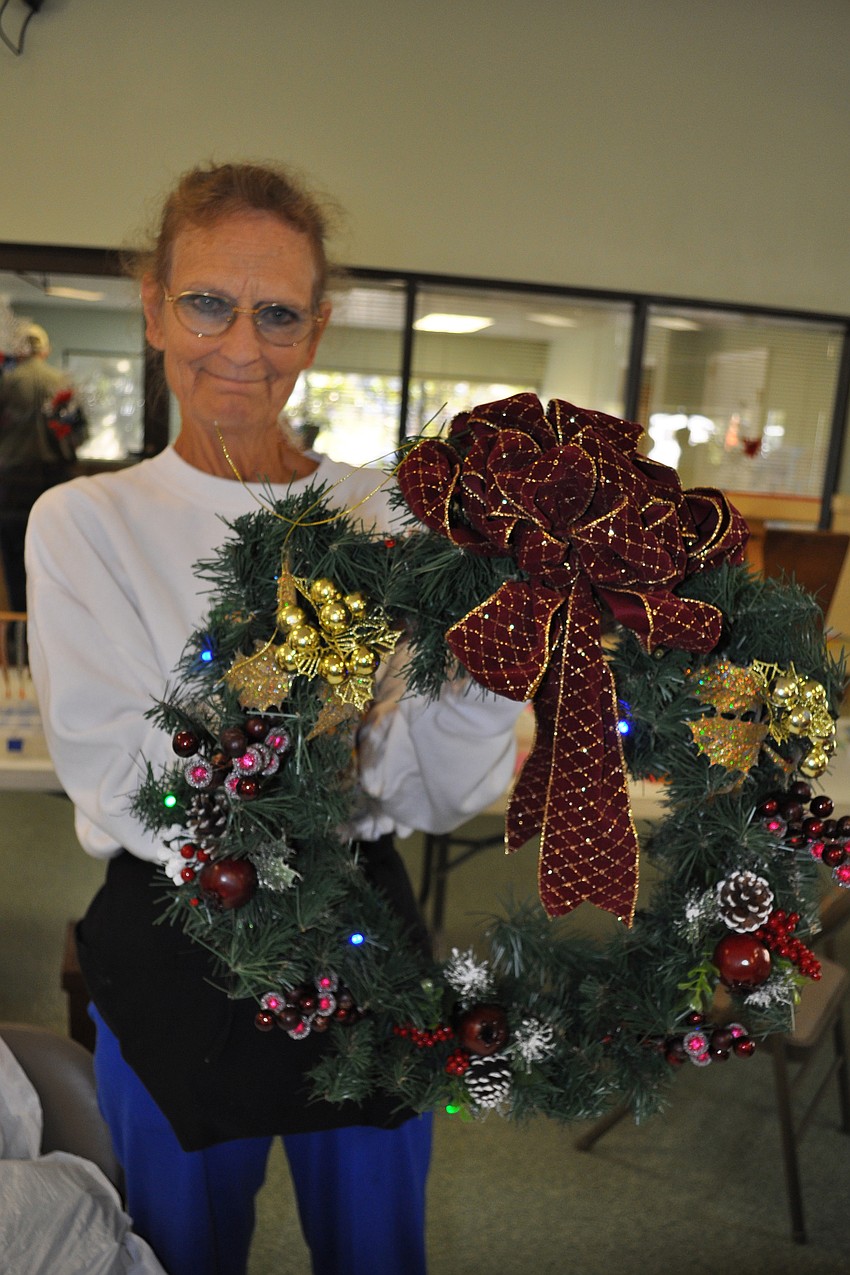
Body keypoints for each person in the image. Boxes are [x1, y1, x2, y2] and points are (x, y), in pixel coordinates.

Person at [25, 162, 523, 1275]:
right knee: (179, 1251)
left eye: (278, 312)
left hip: (363, 933)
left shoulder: (386, 514)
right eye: (207, 301)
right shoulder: (85, 522)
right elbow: (122, 783)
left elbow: (427, 792)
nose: (240, 344)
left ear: (317, 328)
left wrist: (496, 663)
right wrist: (307, 678)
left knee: (378, 1253)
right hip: (180, 942)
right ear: (153, 306)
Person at [0, 322, 83, 611]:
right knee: (54, 561)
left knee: (15, 563)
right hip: (55, 479)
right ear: (45, 350)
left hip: (12, 484)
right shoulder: (62, 382)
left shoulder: (6, 383)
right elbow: (80, 433)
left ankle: (18, 640)